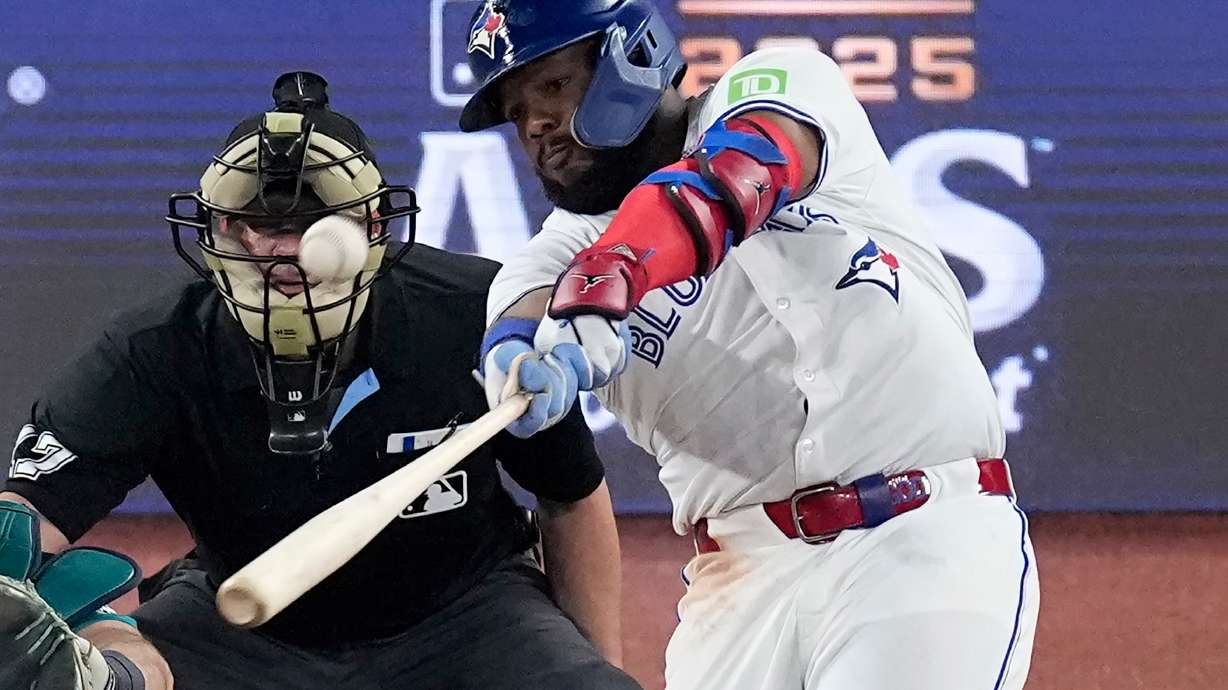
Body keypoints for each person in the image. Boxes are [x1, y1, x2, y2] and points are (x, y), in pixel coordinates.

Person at [460, 1, 1040, 688]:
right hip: (739, 584)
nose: (536, 125)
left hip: (920, 538)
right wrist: (521, 361)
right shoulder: (542, 265)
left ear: (630, 54)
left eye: (551, 87)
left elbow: (740, 171)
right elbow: (518, 321)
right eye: (516, 109)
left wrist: (608, 277)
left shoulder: (780, 87)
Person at [1, 71, 639, 690]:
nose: (287, 249)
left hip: (469, 614)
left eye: (314, 225)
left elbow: (570, 495)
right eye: (264, 226)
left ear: (373, 229)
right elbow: (27, 521)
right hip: (241, 620)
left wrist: (601, 666)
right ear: (223, 231)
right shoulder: (155, 351)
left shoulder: (474, 312)